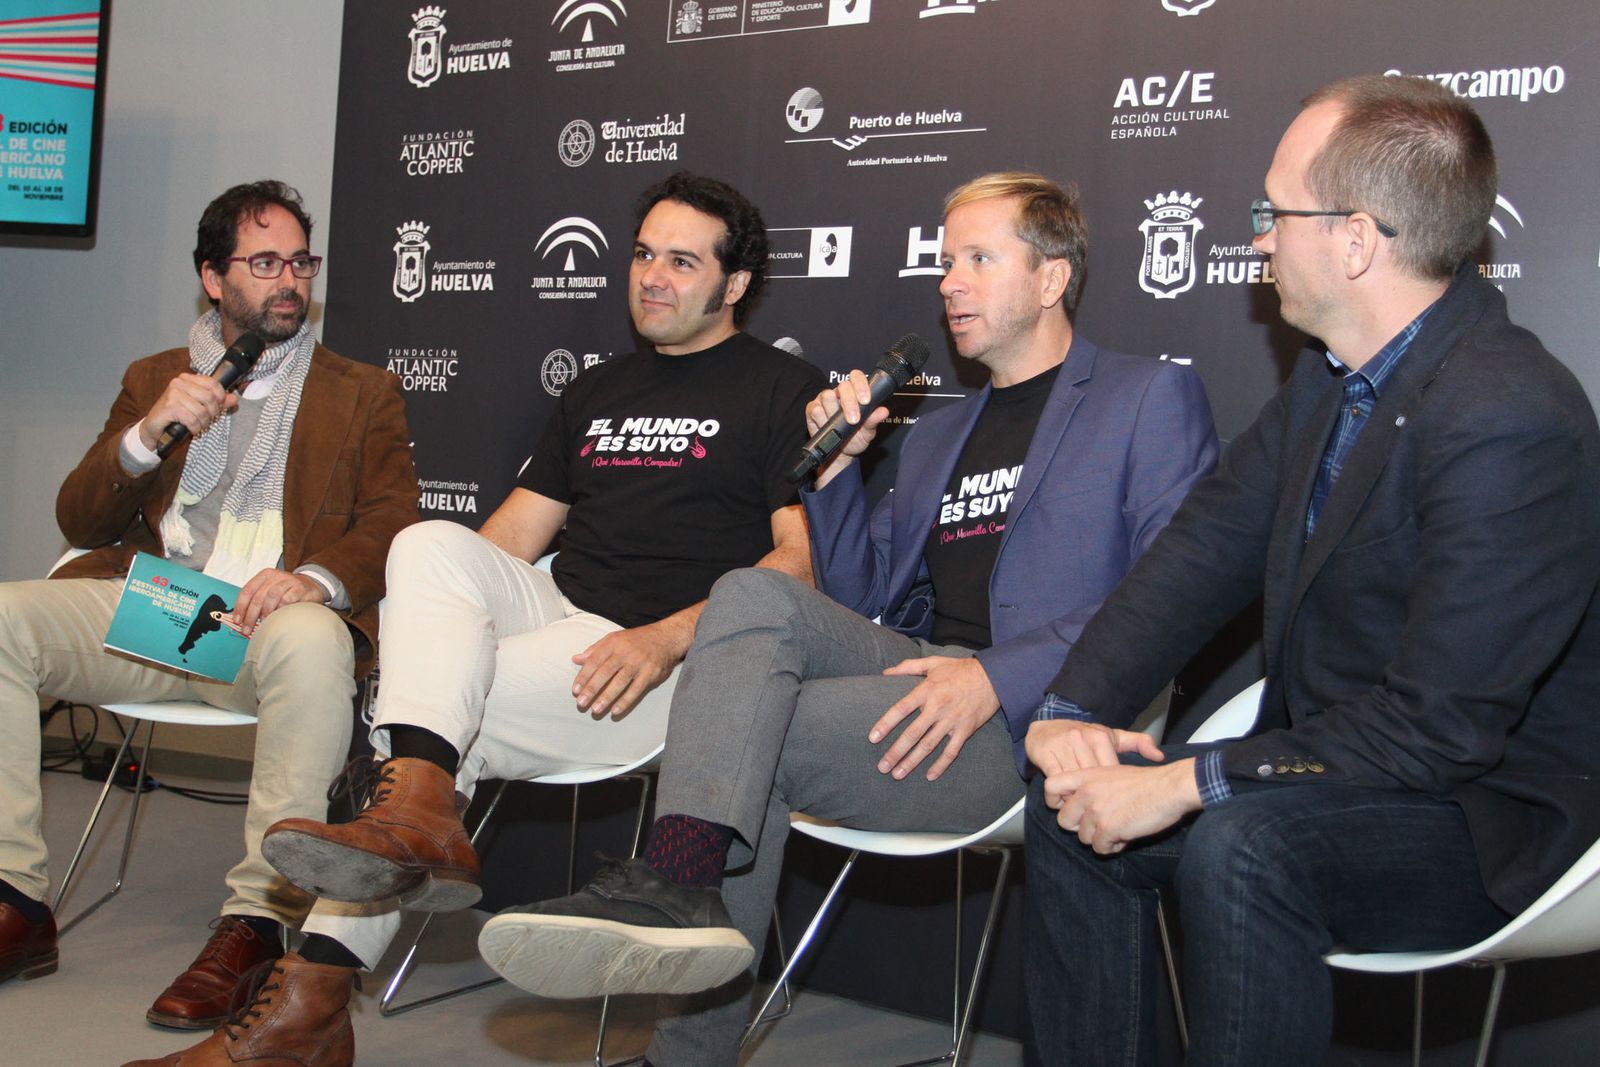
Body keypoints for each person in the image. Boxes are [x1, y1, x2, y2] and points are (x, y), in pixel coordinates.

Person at [475, 172, 1220, 1067]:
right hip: (916, 667)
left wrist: (995, 675)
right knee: (752, 593)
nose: (949, 282)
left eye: (979, 259)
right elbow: (861, 600)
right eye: (947, 262)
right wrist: (831, 475)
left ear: (1053, 278)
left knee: (744, 741)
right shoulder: (940, 432)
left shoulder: (1146, 399)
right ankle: (682, 875)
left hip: (1047, 715)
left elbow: (1168, 593)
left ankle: (684, 1026)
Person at [124, 172, 825, 1067]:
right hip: (561, 613)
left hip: (671, 661)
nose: (651, 276)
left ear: (734, 284)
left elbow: (793, 566)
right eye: (644, 253)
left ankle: (307, 1004)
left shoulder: (784, 389)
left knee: (429, 743)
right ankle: (411, 817)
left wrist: (667, 636)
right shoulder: (598, 390)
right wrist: (428, 635)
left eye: (682, 262)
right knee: (426, 547)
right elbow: (503, 545)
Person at [1021, 74, 1600, 1066]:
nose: (1254, 237)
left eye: (1271, 212)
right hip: (1323, 771)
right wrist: (1073, 705)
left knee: (1244, 845)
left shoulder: (1509, 411)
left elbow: (1440, 727)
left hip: (1481, 813)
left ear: (1355, 237)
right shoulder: (1328, 386)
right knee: (1072, 810)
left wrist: (1194, 780)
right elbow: (1200, 552)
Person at [0, 182, 417, 1025]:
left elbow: (392, 524)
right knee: (3, 617)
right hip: (159, 612)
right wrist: (143, 437)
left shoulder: (360, 390)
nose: (289, 280)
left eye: (300, 261)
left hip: (268, 632)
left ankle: (256, 919)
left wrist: (317, 580)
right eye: (264, 263)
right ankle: (15, 901)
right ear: (212, 276)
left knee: (311, 637)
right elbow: (81, 518)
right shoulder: (154, 377)